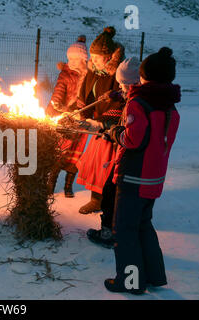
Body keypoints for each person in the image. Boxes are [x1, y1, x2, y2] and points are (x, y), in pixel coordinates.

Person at [104, 47, 180, 294]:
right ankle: (154, 276)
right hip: (154, 178)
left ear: (145, 77)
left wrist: (115, 133)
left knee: (124, 230)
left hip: (133, 176)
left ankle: (131, 281)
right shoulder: (170, 106)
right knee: (143, 225)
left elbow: (133, 139)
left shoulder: (139, 103)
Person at [85, 57, 141, 248]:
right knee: (111, 191)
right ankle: (115, 229)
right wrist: (115, 95)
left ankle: (110, 233)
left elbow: (130, 133)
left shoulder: (136, 104)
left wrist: (112, 131)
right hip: (126, 158)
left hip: (129, 160)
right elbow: (124, 96)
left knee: (112, 193)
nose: (121, 87)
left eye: (123, 85)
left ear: (134, 82)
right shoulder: (133, 96)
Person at [75, 26, 125, 214]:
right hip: (97, 126)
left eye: (97, 57)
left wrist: (103, 122)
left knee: (107, 167)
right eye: (92, 56)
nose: (93, 60)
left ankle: (108, 203)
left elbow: (120, 101)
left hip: (111, 130)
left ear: (109, 56)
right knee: (94, 164)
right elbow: (85, 94)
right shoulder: (93, 72)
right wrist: (81, 112)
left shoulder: (117, 75)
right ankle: (95, 200)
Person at [46, 35, 88, 197]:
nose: (73, 62)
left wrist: (83, 112)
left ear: (83, 59)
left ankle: (69, 185)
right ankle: (52, 181)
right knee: (61, 151)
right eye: (71, 59)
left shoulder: (88, 75)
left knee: (76, 154)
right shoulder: (65, 74)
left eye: (76, 59)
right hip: (65, 116)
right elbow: (59, 91)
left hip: (81, 119)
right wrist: (57, 105)